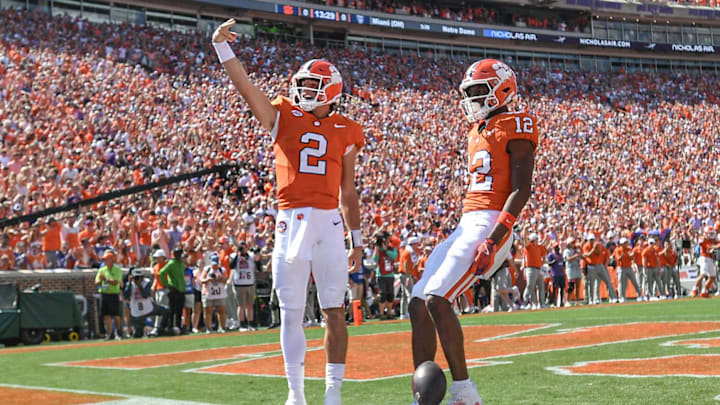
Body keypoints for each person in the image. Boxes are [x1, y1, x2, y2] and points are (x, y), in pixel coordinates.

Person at [213, 19, 364, 405]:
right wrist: (222, 48)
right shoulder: (283, 114)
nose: (303, 90)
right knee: (291, 310)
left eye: (313, 86)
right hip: (291, 219)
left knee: (334, 309)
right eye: (302, 84)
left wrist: (357, 237)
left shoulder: (348, 128)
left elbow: (348, 189)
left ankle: (333, 393)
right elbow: (246, 89)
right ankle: (295, 395)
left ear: (331, 91)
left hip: (329, 221)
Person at [409, 59, 537, 405]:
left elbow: (521, 189)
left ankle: (466, 394)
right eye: (471, 93)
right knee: (418, 302)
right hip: (467, 221)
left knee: (438, 297)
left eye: (481, 91)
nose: (474, 98)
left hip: (491, 222)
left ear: (504, 89)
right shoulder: (476, 130)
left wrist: (495, 239)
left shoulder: (517, 123)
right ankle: (422, 395)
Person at [123, 267, 169, 338]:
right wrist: (129, 284)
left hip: (149, 308)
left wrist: (139, 286)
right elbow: (126, 296)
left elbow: (146, 295)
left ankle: (160, 329)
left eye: (139, 277)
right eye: (135, 277)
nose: (137, 279)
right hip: (137, 313)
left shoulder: (147, 282)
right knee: (138, 335)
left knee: (165, 311)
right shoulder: (129, 284)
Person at [95, 250, 124, 340]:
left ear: (111, 260)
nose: (105, 261)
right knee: (106, 315)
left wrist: (106, 279)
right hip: (104, 294)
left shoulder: (117, 270)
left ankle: (119, 332)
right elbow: (96, 282)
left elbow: (116, 282)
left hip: (114, 294)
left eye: (107, 259)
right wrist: (100, 280)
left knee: (116, 315)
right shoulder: (101, 270)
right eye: (104, 260)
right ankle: (110, 333)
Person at [231, 241, 258, 331]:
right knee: (241, 305)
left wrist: (256, 253)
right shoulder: (234, 256)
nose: (243, 249)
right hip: (239, 284)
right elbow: (232, 265)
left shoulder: (250, 256)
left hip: (250, 283)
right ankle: (242, 325)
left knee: (250, 305)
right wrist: (237, 253)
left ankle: (251, 324)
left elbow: (257, 262)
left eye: (244, 247)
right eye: (241, 248)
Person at [159, 248, 187, 332]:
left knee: (179, 310)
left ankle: (178, 326)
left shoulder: (182, 263)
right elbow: (161, 272)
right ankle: (170, 326)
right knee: (172, 310)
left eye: (179, 253)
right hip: (174, 290)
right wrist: (167, 285)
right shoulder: (171, 263)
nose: (179, 255)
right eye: (177, 253)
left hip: (181, 289)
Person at [201, 252, 229, 333]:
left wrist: (221, 278)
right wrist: (208, 279)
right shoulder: (207, 269)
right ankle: (208, 328)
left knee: (221, 310)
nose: (215, 266)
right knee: (208, 310)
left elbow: (225, 280)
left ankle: (222, 327)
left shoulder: (222, 270)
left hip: (219, 293)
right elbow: (201, 280)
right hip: (208, 292)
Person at [374, 232, 398, 320]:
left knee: (390, 294)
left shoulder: (392, 248)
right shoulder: (378, 249)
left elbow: (394, 256)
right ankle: (381, 313)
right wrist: (377, 249)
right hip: (381, 274)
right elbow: (375, 259)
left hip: (390, 274)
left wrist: (386, 250)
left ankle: (389, 312)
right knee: (382, 294)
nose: (387, 241)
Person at [693, 227, 720, 298]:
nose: (711, 234)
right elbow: (708, 247)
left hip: (710, 259)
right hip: (704, 258)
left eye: (712, 233)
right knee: (703, 274)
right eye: (710, 233)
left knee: (712, 276)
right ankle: (694, 288)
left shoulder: (713, 239)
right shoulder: (703, 239)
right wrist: (714, 247)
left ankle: (704, 291)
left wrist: (714, 246)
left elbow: (718, 244)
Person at [398, 236, 421, 320]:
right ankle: (411, 312)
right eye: (416, 244)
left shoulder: (409, 251)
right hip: (405, 274)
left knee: (404, 294)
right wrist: (408, 277)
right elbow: (406, 265)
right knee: (409, 294)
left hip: (405, 274)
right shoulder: (408, 252)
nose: (417, 245)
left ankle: (403, 313)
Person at [614, 238, 643, 303]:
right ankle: (622, 297)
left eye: (626, 242)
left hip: (629, 267)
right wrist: (621, 256)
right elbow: (618, 259)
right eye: (624, 243)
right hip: (621, 268)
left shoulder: (629, 249)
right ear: (621, 244)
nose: (626, 244)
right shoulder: (618, 250)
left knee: (635, 282)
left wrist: (631, 256)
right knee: (622, 284)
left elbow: (632, 258)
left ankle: (640, 295)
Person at [523, 233, 547, 309]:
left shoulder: (539, 247)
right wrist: (524, 230)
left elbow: (543, 256)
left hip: (539, 268)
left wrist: (542, 263)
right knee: (530, 286)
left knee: (541, 287)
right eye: (536, 239)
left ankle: (541, 303)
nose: (537, 240)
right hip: (530, 268)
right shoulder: (529, 246)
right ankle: (526, 302)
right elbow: (525, 241)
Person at [563, 237, 583, 305]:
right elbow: (568, 259)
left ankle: (577, 301)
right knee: (571, 286)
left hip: (577, 267)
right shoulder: (566, 251)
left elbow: (581, 257)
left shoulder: (576, 250)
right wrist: (575, 256)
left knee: (578, 286)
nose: (574, 244)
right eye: (572, 243)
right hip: (570, 268)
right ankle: (567, 301)